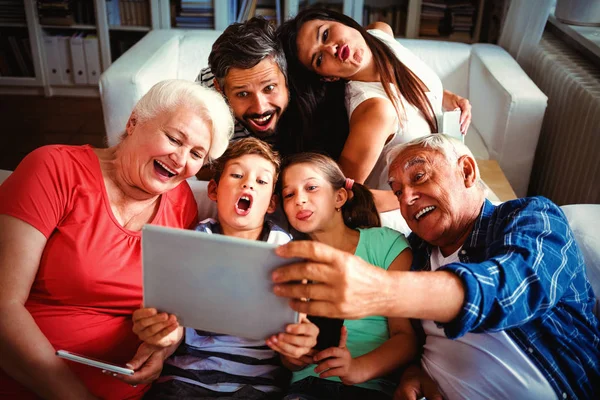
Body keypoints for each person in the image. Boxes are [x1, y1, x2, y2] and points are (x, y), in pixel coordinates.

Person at [269, 135, 600, 399]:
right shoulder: (415, 255)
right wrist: (415, 372)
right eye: (398, 191)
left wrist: (384, 290)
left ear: (467, 171)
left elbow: (513, 286)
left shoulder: (528, 218)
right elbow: (403, 338)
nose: (407, 198)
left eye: (419, 176)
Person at [0, 80, 234, 399]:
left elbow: (174, 306)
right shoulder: (52, 169)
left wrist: (163, 347)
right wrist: (73, 394)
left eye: (196, 153)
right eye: (174, 138)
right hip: (32, 382)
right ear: (133, 121)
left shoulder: (181, 204)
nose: (180, 160)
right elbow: (4, 305)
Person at [132, 138, 319, 400]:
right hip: (185, 379)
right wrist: (159, 339)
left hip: (256, 386)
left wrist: (297, 351)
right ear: (213, 190)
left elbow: (294, 337)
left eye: (261, 181)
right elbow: (176, 321)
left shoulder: (286, 250)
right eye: (237, 175)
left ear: (271, 204)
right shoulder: (194, 240)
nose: (248, 183)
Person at [277, 8, 472, 215]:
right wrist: (418, 194)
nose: (331, 49)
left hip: (447, 180)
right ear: (329, 77)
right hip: (409, 212)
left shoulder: (380, 34)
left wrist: (446, 96)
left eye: (325, 34)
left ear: (343, 22)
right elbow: (342, 194)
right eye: (319, 59)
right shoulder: (376, 110)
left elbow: (408, 81)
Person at [278, 153, 416, 399]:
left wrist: (356, 368)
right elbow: (288, 355)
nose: (299, 199)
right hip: (305, 387)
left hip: (368, 388)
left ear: (339, 197)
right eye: (289, 194)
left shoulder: (385, 244)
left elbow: (405, 338)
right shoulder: (289, 261)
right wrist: (293, 356)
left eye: (311, 188)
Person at [197, 17, 289, 149]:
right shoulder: (206, 92)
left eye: (269, 88)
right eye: (243, 94)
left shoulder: (306, 86)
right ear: (219, 89)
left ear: (287, 76)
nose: (260, 108)